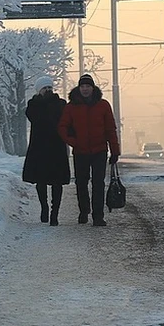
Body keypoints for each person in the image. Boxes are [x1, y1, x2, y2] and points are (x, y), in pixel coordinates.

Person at [57, 73, 120, 227]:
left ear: (93, 88)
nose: (85, 89)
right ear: (79, 88)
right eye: (83, 86)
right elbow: (62, 127)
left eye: (88, 86)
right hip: (80, 151)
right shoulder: (71, 107)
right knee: (81, 183)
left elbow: (111, 129)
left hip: (99, 150)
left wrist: (115, 150)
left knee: (98, 183)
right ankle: (84, 210)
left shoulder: (103, 105)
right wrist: (73, 142)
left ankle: (98, 216)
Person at [22, 75, 71, 226]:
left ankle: (54, 212)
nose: (48, 90)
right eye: (45, 88)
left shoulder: (61, 104)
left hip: (57, 148)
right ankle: (44, 206)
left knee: (57, 183)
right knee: (41, 181)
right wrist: (43, 103)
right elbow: (35, 117)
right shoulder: (33, 105)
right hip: (39, 148)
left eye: (50, 87)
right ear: (39, 91)